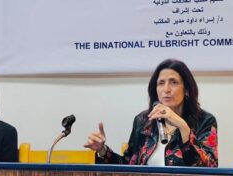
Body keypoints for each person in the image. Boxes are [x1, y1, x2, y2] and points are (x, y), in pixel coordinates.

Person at [84, 59, 218, 166]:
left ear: (187, 89)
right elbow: (128, 165)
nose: (166, 89)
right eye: (161, 83)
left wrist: (183, 127)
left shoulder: (204, 121)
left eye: (173, 82)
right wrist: (102, 150)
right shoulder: (143, 120)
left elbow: (208, 169)